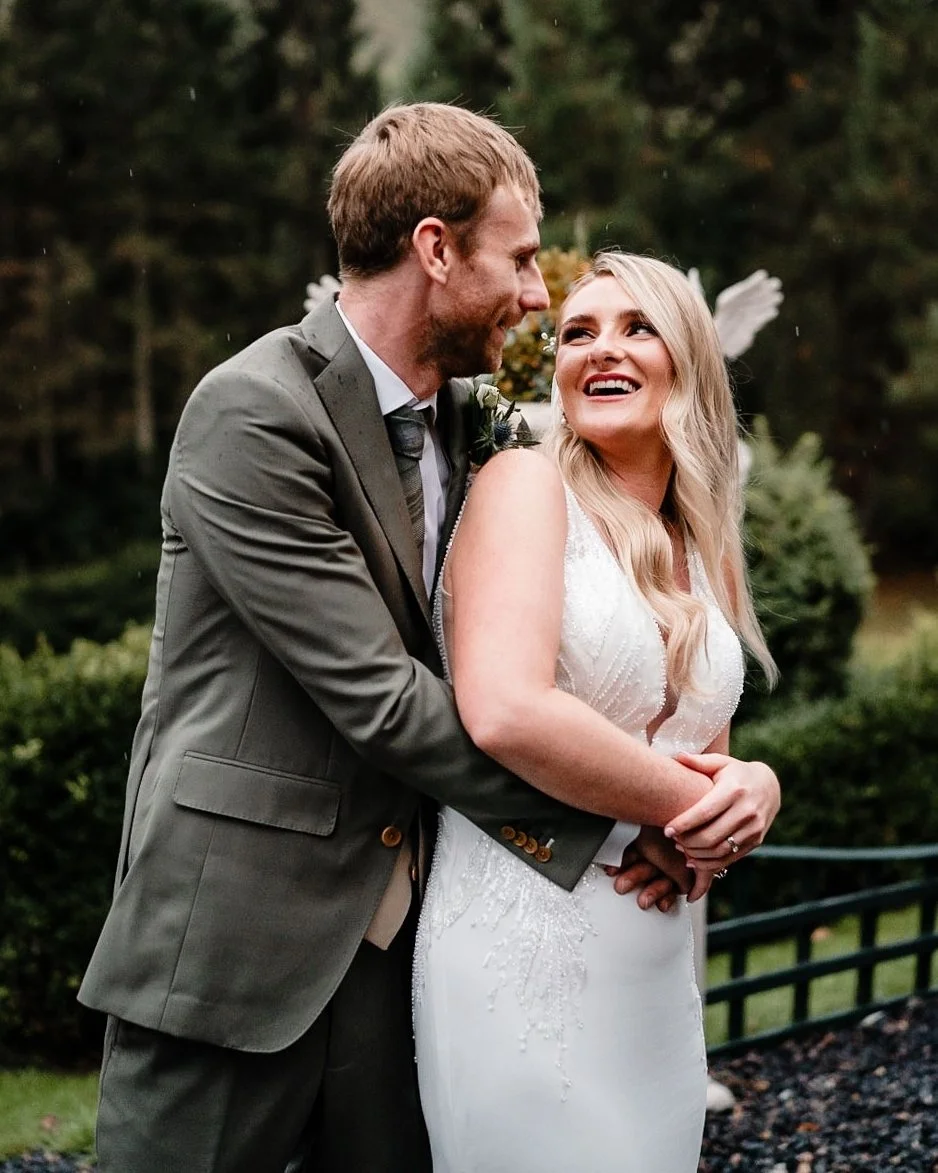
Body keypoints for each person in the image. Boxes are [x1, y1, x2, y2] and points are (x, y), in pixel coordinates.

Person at [77, 104, 713, 1173]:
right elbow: (379, 696)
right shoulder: (251, 413)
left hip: (406, 955)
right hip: (236, 939)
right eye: (515, 259)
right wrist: (639, 812)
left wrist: (715, 774)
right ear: (435, 249)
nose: (533, 293)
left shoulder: (478, 427)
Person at [413, 250, 781, 1172]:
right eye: (578, 331)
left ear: (689, 358)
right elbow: (504, 710)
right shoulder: (524, 486)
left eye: (635, 327)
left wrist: (754, 791)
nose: (598, 350)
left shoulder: (702, 545)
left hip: (652, 963)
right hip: (520, 947)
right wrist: (689, 806)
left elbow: (704, 757)